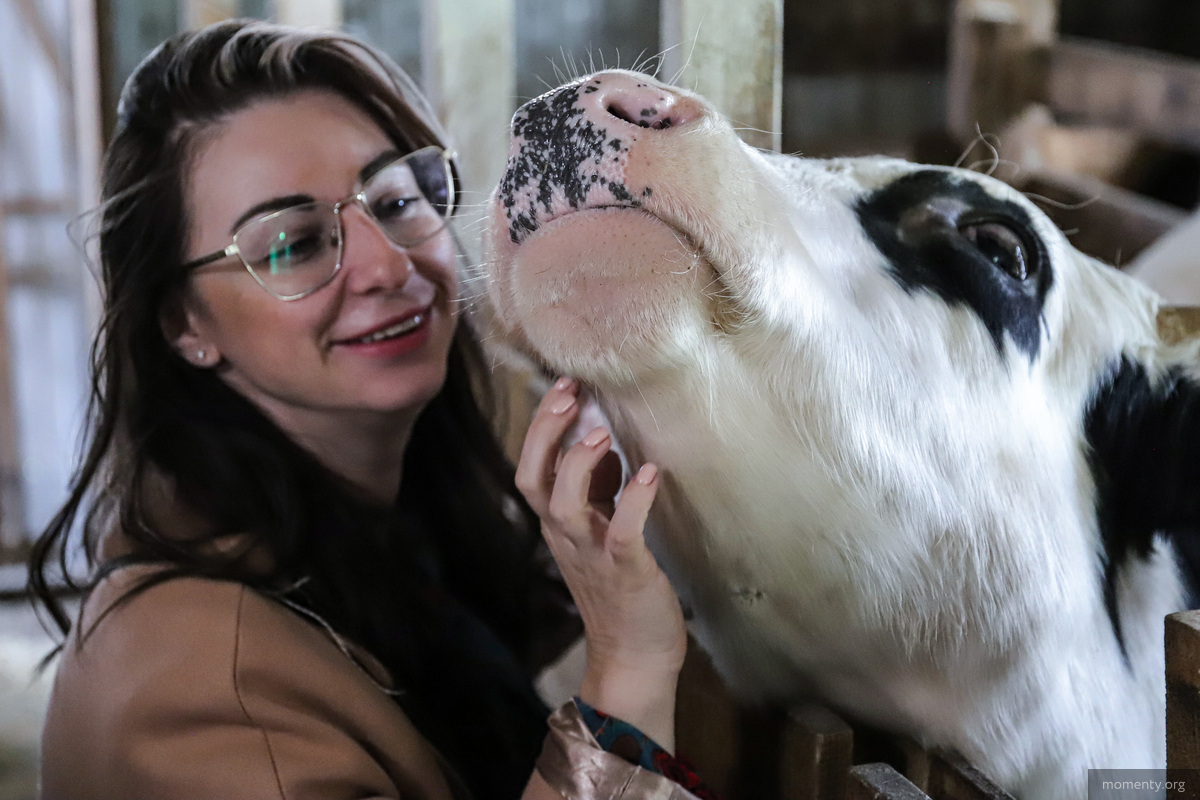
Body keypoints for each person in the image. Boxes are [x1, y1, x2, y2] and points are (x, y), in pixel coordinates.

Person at [27, 18, 708, 800]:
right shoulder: (197, 693)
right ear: (183, 323)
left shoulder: (385, 522)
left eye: (394, 199)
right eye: (293, 244)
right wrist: (628, 666)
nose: (388, 264)